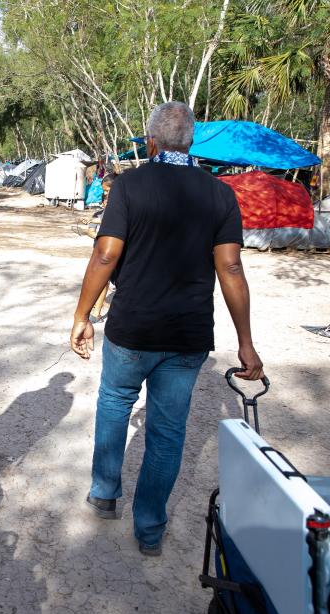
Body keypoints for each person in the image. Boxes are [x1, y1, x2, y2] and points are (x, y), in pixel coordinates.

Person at [69, 101, 264, 557]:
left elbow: (104, 255)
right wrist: (246, 344)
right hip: (187, 335)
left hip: (132, 327)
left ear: (151, 141)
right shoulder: (219, 194)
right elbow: (230, 267)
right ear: (191, 141)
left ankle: (104, 492)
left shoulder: (131, 185)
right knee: (168, 431)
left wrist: (81, 315)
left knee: (115, 403)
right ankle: (151, 528)